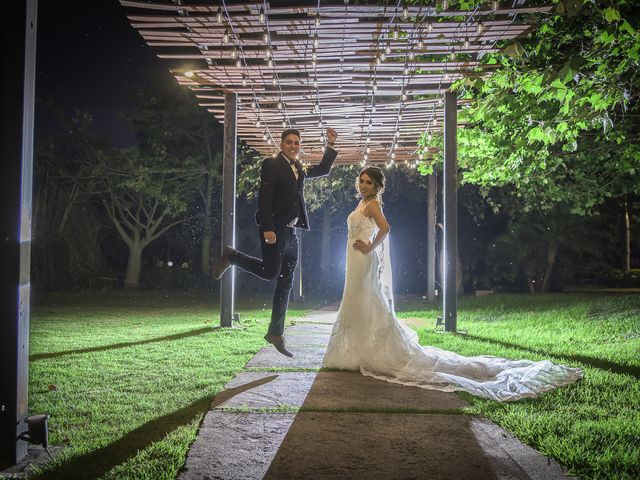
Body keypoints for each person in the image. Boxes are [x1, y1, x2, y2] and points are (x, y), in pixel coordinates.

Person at [322, 167, 583, 401]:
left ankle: (367, 351)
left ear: (377, 186)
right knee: (357, 299)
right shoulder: (363, 203)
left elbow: (386, 229)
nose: (363, 185)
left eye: (368, 182)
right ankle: (354, 350)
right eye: (361, 181)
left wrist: (369, 246)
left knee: (365, 299)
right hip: (354, 259)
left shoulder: (373, 205)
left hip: (362, 257)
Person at [213, 127, 338, 357]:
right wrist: (268, 228)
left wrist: (329, 145)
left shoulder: (298, 167)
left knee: (285, 284)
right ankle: (231, 256)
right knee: (271, 274)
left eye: (297, 143)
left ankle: (276, 332)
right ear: (281, 144)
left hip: (292, 233)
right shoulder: (271, 164)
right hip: (275, 230)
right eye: (289, 142)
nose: (293, 146)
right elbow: (265, 198)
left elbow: (322, 169)